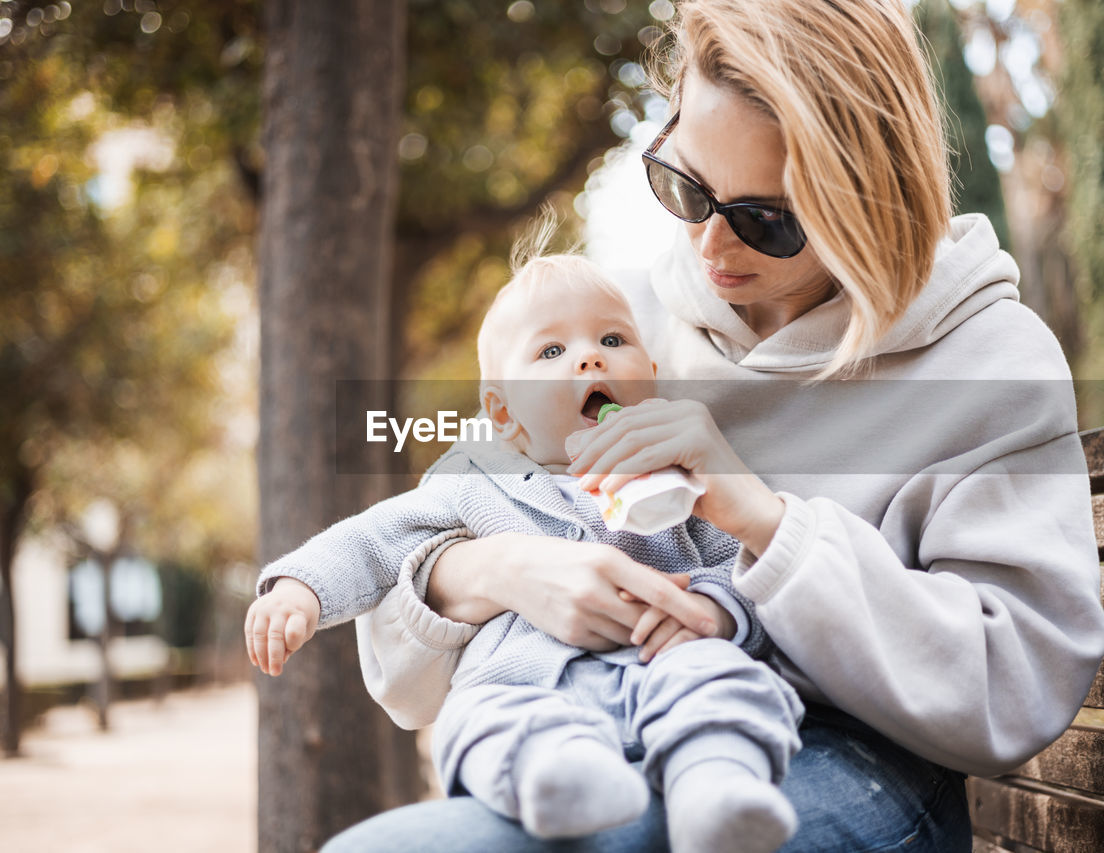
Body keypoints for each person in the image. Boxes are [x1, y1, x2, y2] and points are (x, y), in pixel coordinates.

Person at [321, 1, 1104, 851]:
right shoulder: (613, 330)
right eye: (685, 187)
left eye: (766, 219)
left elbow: (1014, 680)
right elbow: (404, 669)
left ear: (871, 197)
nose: (708, 246)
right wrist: (503, 568)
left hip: (858, 759)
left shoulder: (989, 357)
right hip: (589, 723)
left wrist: (765, 520)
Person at [246, 248, 805, 852]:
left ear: (650, 370)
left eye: (612, 339)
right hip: (525, 683)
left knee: (722, 678)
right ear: (503, 412)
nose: (590, 357)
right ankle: (557, 784)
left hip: (664, 660)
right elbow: (374, 538)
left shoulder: (679, 469)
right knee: (474, 719)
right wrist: (300, 589)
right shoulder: (473, 476)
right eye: (550, 352)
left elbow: (744, 563)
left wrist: (717, 612)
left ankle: (715, 791)